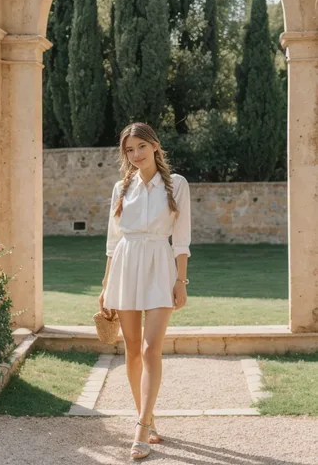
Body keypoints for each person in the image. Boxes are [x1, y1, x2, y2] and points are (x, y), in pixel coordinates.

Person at [99, 122, 191, 460]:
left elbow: (181, 239)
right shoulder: (121, 187)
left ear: (154, 145)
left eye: (141, 146)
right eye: (129, 149)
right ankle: (148, 418)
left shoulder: (177, 184)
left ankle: (139, 428)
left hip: (159, 265)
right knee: (133, 349)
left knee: (153, 348)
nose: (135, 154)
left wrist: (180, 282)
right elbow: (112, 241)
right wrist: (106, 282)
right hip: (125, 265)